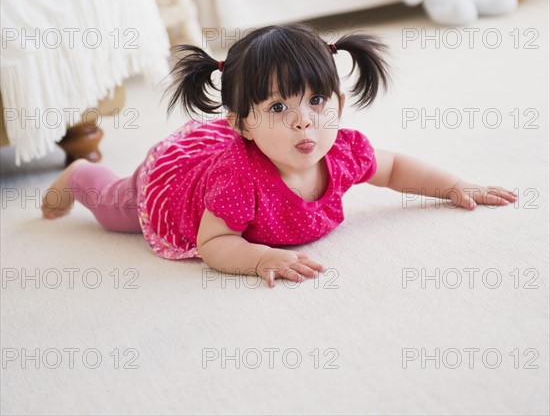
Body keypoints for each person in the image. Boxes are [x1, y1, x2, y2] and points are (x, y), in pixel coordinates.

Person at [41, 24, 516, 288]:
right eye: (277, 107)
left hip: (224, 152)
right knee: (116, 210)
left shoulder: (344, 151)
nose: (303, 121)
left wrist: (454, 186)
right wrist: (258, 258)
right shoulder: (238, 179)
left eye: (316, 102)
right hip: (176, 183)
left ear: (339, 105)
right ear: (243, 123)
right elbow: (213, 242)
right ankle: (82, 175)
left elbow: (393, 168)